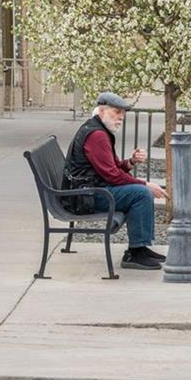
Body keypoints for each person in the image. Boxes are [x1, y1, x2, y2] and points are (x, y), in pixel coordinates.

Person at [62, 91, 169, 271]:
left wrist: (131, 162)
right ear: (102, 111)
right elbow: (112, 175)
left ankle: (140, 248)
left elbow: (111, 168)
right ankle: (135, 253)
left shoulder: (99, 130)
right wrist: (145, 185)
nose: (121, 117)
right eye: (116, 112)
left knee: (139, 191)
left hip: (88, 191)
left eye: (123, 113)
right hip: (86, 197)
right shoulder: (97, 136)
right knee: (141, 194)